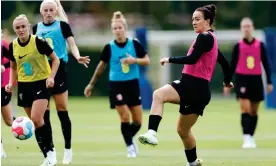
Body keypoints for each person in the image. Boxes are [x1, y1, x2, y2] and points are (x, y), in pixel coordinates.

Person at [138, 4, 233, 166]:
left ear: (207, 21)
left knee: (158, 95)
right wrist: (226, 81)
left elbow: (193, 59)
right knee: (183, 131)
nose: (194, 22)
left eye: (197, 19)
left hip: (192, 87)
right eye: (192, 19)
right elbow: (224, 63)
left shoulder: (204, 38)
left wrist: (169, 59)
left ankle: (152, 133)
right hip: (200, 92)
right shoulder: (211, 39)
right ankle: (193, 163)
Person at [84, 11, 150, 158]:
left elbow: (147, 60)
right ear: (112, 30)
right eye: (114, 28)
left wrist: (135, 61)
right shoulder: (109, 47)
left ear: (125, 29)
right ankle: (130, 147)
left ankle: (129, 138)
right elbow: (101, 67)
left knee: (138, 121)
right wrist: (91, 84)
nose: (117, 31)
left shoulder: (134, 44)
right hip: (116, 85)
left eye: (119, 28)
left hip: (132, 84)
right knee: (125, 117)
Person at [33, 0, 90, 164]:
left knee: (62, 109)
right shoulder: (36, 29)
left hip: (59, 71)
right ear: (41, 11)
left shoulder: (63, 26)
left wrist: (77, 56)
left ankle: (68, 149)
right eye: (46, 10)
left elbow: (72, 44)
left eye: (52, 9)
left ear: (56, 10)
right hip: (42, 73)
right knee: (45, 113)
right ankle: (50, 151)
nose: (49, 12)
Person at [6, 14, 60, 166]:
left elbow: (55, 60)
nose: (21, 30)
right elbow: (14, 66)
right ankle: (48, 156)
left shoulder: (38, 41)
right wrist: (11, 83)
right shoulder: (13, 45)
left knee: (36, 119)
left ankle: (51, 154)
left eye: (23, 26)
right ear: (14, 29)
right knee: (38, 123)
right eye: (17, 27)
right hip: (24, 86)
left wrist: (51, 77)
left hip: (41, 83)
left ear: (28, 26)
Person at [224, 17, 273, 149]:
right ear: (241, 29)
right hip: (242, 79)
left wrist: (269, 82)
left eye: (248, 26)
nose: (246, 28)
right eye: (244, 26)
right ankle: (246, 137)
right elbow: (232, 65)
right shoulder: (238, 46)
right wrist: (227, 82)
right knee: (245, 108)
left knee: (253, 111)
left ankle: (251, 136)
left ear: (253, 28)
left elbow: (266, 64)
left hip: (256, 79)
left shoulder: (260, 45)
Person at [1, 38, 13, 159]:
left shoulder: (2, 44)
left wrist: (3, 66)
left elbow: (12, 59)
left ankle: (28, 124)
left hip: (2, 85)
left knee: (9, 121)